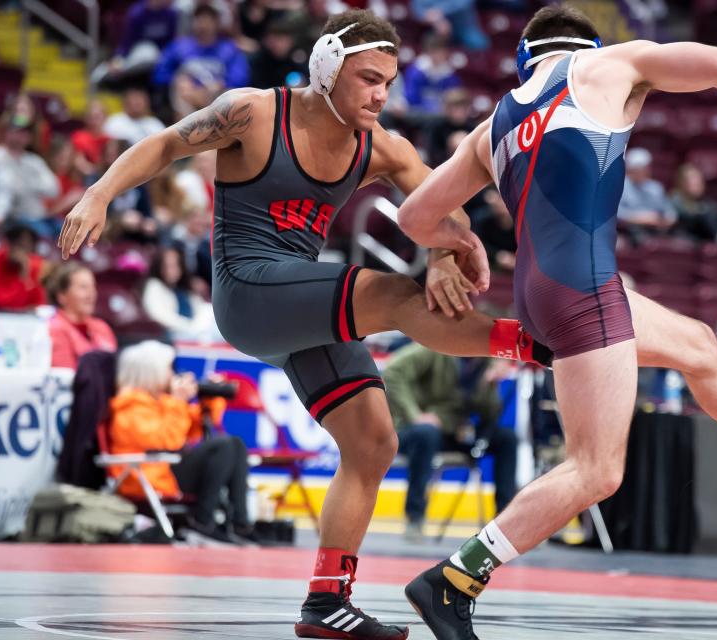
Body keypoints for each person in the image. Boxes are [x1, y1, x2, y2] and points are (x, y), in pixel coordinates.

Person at [57, 9, 551, 640]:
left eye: (388, 83)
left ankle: (326, 601)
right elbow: (164, 144)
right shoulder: (254, 112)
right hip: (249, 294)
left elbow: (438, 203)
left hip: (302, 306)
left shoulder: (381, 145)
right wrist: (99, 193)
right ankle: (531, 345)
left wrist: (444, 248)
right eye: (368, 78)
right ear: (325, 69)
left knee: (374, 442)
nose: (380, 94)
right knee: (397, 296)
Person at [395, 6, 717, 637]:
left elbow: (413, 218)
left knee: (700, 346)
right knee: (595, 470)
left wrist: (461, 246)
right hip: (586, 293)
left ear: (525, 55)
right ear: (588, 45)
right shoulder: (609, 63)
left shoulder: (493, 127)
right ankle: (453, 581)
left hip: (541, 295)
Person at [108, 340, 253, 544]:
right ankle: (203, 519)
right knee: (224, 446)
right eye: (168, 368)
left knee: (235, 444)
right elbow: (169, 441)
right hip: (147, 478)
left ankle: (241, 523)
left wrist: (209, 398)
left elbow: (193, 429)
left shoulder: (157, 402)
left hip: (165, 472)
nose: (172, 374)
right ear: (151, 372)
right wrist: (177, 401)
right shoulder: (130, 408)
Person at [383, 344, 517, 540]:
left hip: (455, 431)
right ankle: (415, 518)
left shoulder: (486, 362)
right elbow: (392, 372)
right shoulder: (432, 348)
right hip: (413, 429)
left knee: (506, 438)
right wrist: (415, 414)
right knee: (426, 434)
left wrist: (490, 384)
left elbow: (489, 415)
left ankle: (507, 520)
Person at [153, 4, 250, 119]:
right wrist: (176, 80)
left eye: (208, 20)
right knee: (180, 91)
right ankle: (188, 132)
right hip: (186, 96)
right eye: (199, 19)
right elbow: (159, 74)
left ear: (217, 23)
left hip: (217, 96)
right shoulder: (179, 46)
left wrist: (221, 84)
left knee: (229, 94)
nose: (203, 25)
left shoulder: (229, 49)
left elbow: (241, 78)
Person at [46, 261, 117, 370]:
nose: (91, 294)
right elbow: (66, 378)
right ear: (62, 296)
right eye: (83, 287)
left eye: (93, 287)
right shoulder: (54, 329)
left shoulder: (102, 327)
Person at [142, 245, 219, 342]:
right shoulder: (154, 286)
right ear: (159, 267)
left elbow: (201, 309)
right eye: (168, 266)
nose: (172, 271)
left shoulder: (183, 288)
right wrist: (190, 327)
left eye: (175, 266)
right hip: (172, 337)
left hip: (195, 333)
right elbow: (161, 316)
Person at [0, 222, 46, 311]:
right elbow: (3, 304)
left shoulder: (34, 264)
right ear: (8, 243)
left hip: (25, 318)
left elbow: (39, 303)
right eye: (20, 245)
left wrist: (26, 274)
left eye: (28, 247)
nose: (22, 253)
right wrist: (23, 276)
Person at [618, 147, 677, 240]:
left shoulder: (656, 187)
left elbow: (670, 212)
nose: (643, 171)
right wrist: (642, 218)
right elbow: (617, 214)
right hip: (629, 230)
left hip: (655, 229)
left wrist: (666, 220)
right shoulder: (620, 186)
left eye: (645, 168)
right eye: (638, 168)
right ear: (630, 168)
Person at [403, 33, 461, 115]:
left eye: (441, 52)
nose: (438, 55)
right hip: (418, 113)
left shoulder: (450, 74)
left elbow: (455, 97)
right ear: (428, 52)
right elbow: (411, 96)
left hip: (442, 114)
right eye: (435, 52)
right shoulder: (417, 71)